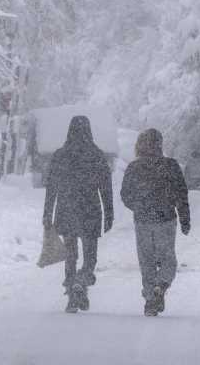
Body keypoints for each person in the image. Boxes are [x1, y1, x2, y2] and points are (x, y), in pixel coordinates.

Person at [42, 115, 114, 313]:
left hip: (66, 209)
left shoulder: (60, 155)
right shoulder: (97, 155)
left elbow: (51, 187)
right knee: (90, 257)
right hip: (90, 209)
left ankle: (72, 288)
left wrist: (47, 212)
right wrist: (109, 213)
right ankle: (81, 281)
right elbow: (106, 187)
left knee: (70, 254)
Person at [120, 129, 191, 317]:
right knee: (167, 258)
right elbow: (181, 193)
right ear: (160, 144)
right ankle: (161, 284)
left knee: (146, 260)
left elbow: (125, 194)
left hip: (143, 220)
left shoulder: (134, 167)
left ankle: (150, 298)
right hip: (166, 218)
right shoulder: (171, 166)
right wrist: (184, 218)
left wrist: (138, 206)